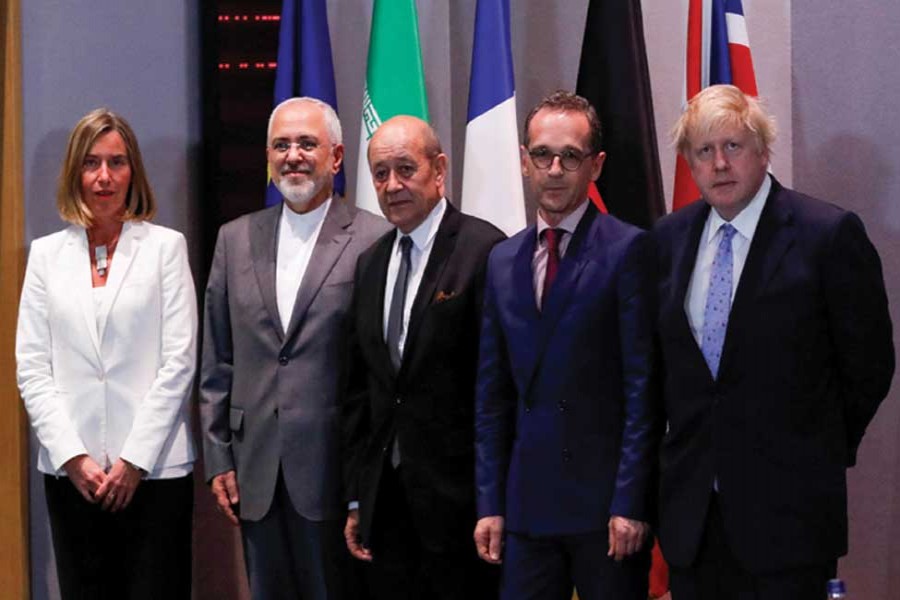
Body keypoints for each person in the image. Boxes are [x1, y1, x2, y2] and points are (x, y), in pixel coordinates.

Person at [653, 84, 895, 600]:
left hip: (791, 518)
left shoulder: (826, 235)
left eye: (733, 147)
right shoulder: (667, 241)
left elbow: (869, 365)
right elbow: (662, 373)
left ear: (763, 150)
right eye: (703, 151)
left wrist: (818, 447)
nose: (719, 163)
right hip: (694, 522)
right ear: (689, 163)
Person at [199, 96, 389, 600]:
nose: (293, 155)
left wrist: (365, 484)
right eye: (281, 145)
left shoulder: (376, 238)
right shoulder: (233, 239)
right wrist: (218, 456)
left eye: (307, 143)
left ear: (337, 156)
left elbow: (381, 373)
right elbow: (216, 360)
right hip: (256, 471)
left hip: (335, 475)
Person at [473, 91, 659, 600]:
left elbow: (642, 393)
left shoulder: (628, 250)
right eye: (542, 155)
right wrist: (490, 501)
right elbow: (492, 398)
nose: (554, 169)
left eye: (570, 156)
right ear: (524, 161)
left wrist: (630, 501)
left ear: (595, 165)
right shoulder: (501, 259)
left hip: (604, 512)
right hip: (526, 508)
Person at [16, 108, 198, 599]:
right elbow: (32, 368)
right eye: (91, 163)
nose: (104, 177)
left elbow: (178, 362)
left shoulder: (165, 248)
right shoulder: (46, 255)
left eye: (116, 163)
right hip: (73, 475)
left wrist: (134, 461)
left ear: (132, 171)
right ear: (75, 171)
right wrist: (73, 457)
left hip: (154, 473)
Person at [341, 115, 505, 600]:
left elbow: (496, 389)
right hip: (388, 506)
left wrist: (491, 499)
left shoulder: (484, 250)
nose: (392, 185)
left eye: (405, 169)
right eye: (380, 173)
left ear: (439, 170)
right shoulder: (370, 263)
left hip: (461, 507)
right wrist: (357, 498)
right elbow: (359, 392)